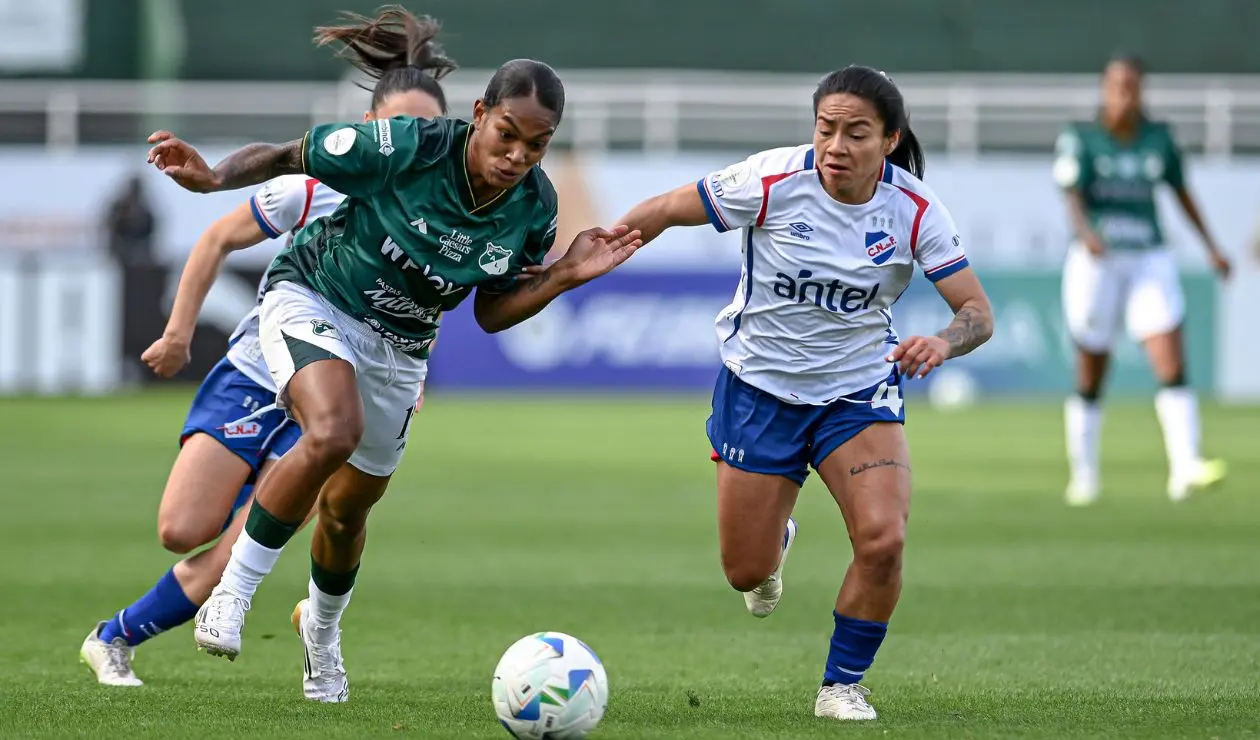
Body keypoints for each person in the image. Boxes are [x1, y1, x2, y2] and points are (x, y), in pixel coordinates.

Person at [146, 42, 642, 703]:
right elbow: (286, 156)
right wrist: (212, 178)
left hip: (401, 351)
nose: (517, 155)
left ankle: (321, 635)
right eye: (507, 134)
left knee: (348, 514)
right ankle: (232, 593)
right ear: (479, 114)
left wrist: (562, 276)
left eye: (537, 144)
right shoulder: (406, 147)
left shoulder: (535, 210)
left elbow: (492, 313)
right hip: (316, 296)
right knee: (331, 430)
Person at [79, 6, 453, 688]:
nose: (410, 139)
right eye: (396, 125)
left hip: (333, 404)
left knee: (240, 548)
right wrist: (177, 332)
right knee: (180, 526)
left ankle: (113, 637)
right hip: (259, 370)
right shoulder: (318, 185)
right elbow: (219, 238)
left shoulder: (443, 212)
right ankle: (238, 506)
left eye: (426, 130)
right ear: (371, 130)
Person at [615, 66, 994, 721]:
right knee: (743, 570)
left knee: (884, 541)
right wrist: (592, 253)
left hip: (856, 392)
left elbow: (976, 313)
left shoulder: (915, 211)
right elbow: (666, 210)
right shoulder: (770, 182)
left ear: (890, 139)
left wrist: (944, 341)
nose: (836, 146)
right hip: (759, 389)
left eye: (856, 133)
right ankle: (773, 544)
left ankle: (841, 684)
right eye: (826, 130)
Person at [1053, 53, 1230, 506]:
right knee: (1092, 368)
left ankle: (1186, 466)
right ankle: (1084, 475)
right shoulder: (1083, 138)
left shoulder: (1158, 139)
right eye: (1116, 85)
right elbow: (1071, 194)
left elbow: (1182, 192)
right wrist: (1086, 234)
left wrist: (1211, 246)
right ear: (1104, 90)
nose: (1124, 94)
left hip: (1149, 256)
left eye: (1132, 85)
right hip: (1098, 261)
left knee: (1171, 360)